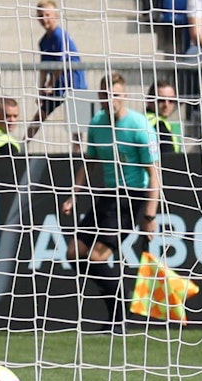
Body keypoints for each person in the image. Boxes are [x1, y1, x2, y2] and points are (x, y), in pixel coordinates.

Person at [63, 73, 162, 334]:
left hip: (132, 198)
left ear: (124, 96)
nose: (111, 99)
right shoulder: (96, 123)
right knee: (74, 253)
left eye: (116, 94)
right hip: (107, 195)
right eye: (106, 94)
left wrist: (149, 217)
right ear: (100, 97)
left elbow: (154, 174)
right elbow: (90, 162)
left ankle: (118, 316)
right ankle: (117, 304)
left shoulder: (139, 125)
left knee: (96, 256)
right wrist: (74, 193)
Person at [35, 1, 86, 136]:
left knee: (77, 125)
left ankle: (78, 152)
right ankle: (22, 147)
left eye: (47, 15)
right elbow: (44, 68)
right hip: (58, 85)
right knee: (41, 114)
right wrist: (41, 88)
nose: (44, 19)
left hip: (75, 84)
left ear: (55, 16)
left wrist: (51, 85)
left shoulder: (60, 36)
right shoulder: (43, 41)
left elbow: (61, 63)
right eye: (40, 15)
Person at [146, 80, 186, 153]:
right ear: (149, 101)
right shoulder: (159, 125)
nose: (166, 105)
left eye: (171, 100)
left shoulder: (144, 119)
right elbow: (169, 158)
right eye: (161, 100)